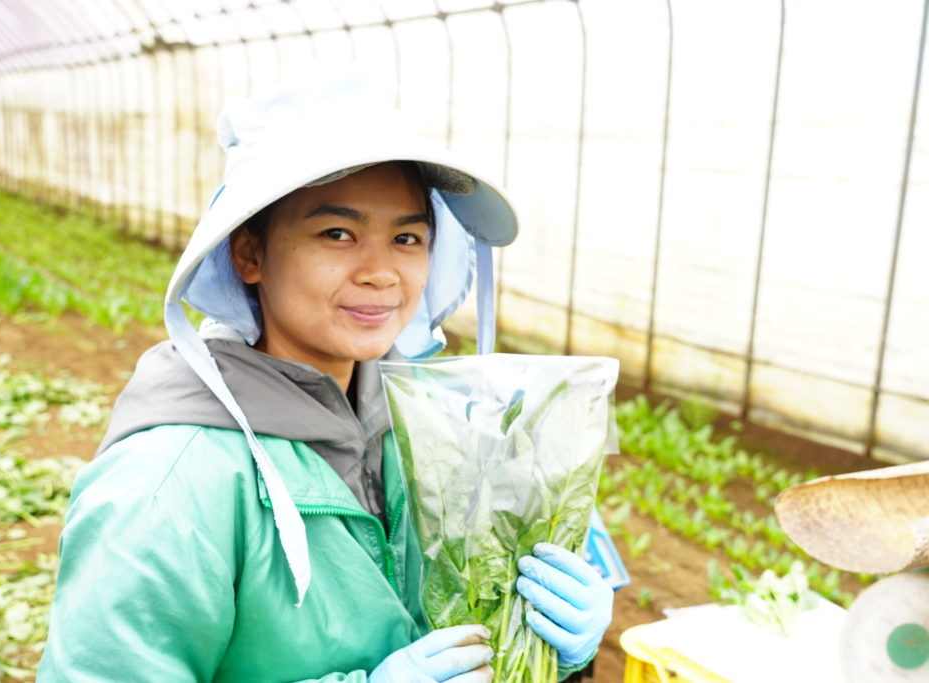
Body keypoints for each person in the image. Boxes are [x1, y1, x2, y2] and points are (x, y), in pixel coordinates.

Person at [37, 75, 613, 682]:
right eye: (337, 234)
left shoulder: (435, 434)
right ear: (249, 254)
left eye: (406, 237)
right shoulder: (166, 486)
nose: (381, 272)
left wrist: (545, 647)